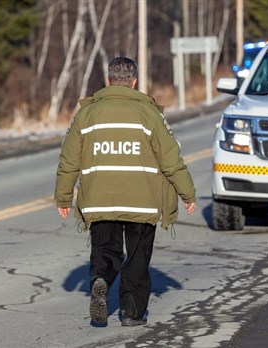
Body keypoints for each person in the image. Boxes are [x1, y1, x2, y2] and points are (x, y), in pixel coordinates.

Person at [54, 57, 196, 326]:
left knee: (105, 248)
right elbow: (170, 158)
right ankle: (131, 312)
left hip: (99, 199)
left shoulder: (86, 114)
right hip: (142, 201)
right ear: (134, 82)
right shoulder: (150, 114)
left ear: (108, 81)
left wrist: (63, 196)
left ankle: (100, 279)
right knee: (137, 256)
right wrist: (186, 193)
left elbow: (69, 158)